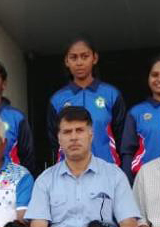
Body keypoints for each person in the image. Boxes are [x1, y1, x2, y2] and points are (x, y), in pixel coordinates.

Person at [27, 106, 141, 227]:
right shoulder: (45, 179)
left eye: (79, 130)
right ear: (59, 138)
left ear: (91, 135)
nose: (73, 137)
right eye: (67, 132)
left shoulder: (114, 174)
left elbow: (130, 226)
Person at [47, 36, 126, 165]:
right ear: (66, 61)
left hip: (106, 167)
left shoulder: (111, 94)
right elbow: (54, 140)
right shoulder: (57, 99)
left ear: (94, 58)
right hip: (69, 170)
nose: (79, 62)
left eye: (85, 56)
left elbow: (121, 136)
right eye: (74, 57)